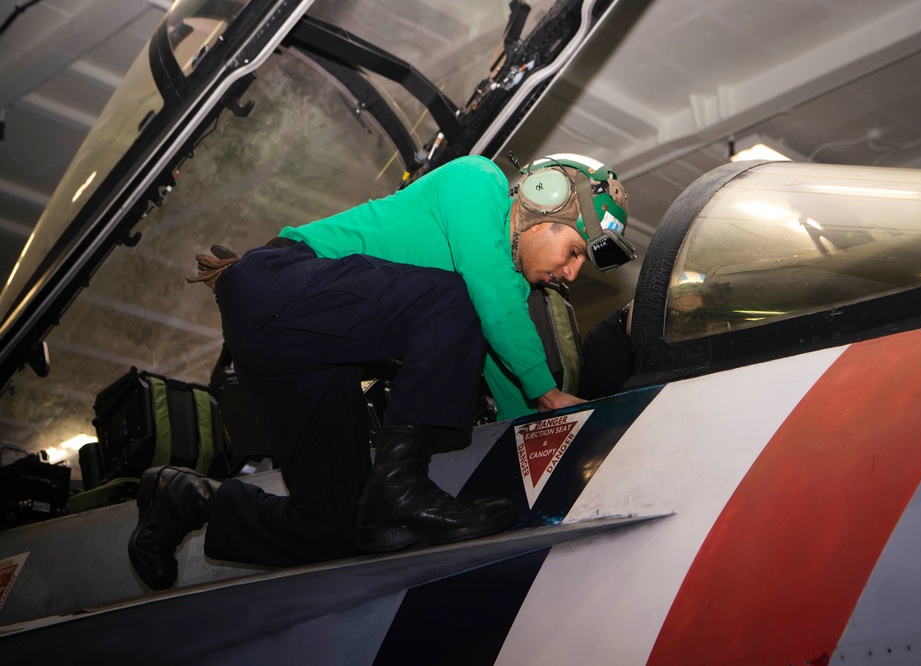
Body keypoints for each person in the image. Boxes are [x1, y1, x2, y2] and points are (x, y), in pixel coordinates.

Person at [127, 153, 634, 590]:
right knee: (458, 296)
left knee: (337, 530)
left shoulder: (501, 294)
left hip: (304, 349)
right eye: (572, 252)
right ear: (545, 200)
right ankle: (398, 485)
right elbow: (492, 304)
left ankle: (186, 498)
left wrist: (547, 445)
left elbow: (509, 381)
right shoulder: (476, 183)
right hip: (275, 285)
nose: (570, 274)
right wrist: (549, 393)